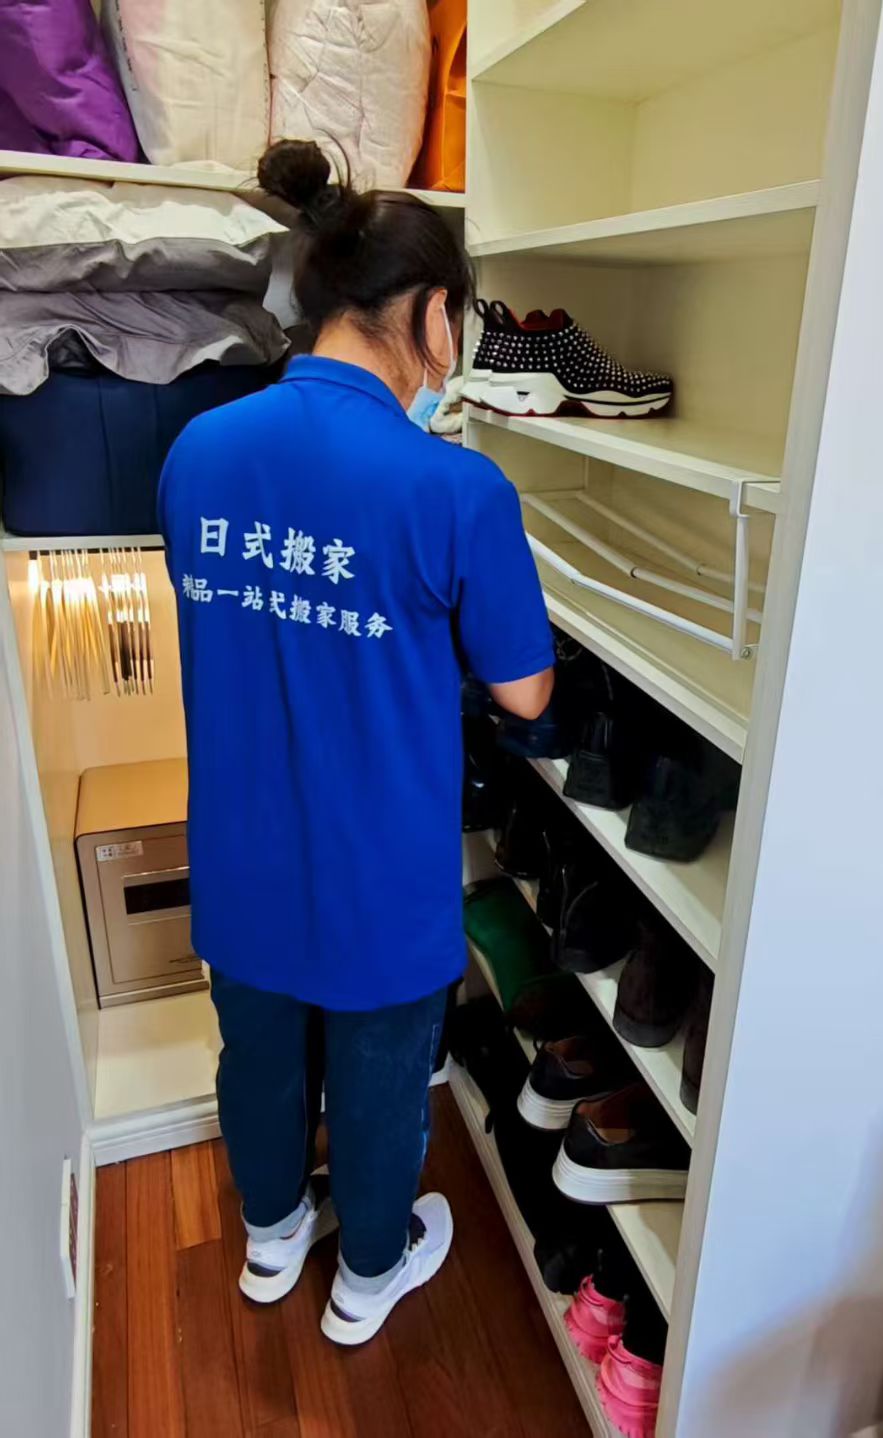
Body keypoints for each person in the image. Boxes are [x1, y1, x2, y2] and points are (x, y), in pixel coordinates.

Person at [159, 139, 554, 1345]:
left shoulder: (197, 452)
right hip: (379, 864)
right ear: (431, 313)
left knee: (260, 1056)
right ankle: (369, 1272)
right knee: (382, 1078)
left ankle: (274, 1235)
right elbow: (526, 693)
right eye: (459, 323)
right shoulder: (457, 490)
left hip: (241, 849)